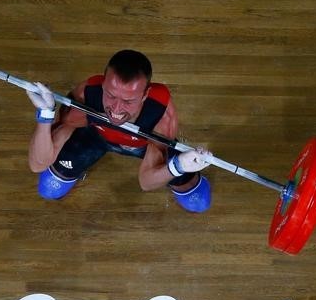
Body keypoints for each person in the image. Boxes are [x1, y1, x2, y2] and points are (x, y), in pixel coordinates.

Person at [25, 49, 212, 213]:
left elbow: (146, 182)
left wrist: (178, 166)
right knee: (48, 190)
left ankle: (184, 170)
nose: (116, 109)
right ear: (103, 85)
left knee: (198, 202)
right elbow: (38, 163)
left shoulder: (160, 116)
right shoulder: (86, 97)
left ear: (145, 95)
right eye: (111, 95)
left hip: (141, 145)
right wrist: (45, 115)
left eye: (128, 101)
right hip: (96, 135)